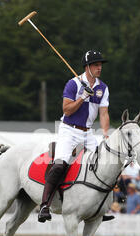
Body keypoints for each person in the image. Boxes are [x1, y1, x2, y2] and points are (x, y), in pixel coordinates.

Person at [38, 50, 110, 223]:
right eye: (96, 65)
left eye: (100, 65)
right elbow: (66, 110)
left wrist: (106, 135)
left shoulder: (103, 88)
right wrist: (83, 97)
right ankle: (44, 205)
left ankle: (100, 206)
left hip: (88, 132)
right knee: (60, 164)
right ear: (87, 67)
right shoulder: (73, 84)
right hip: (69, 130)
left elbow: (104, 114)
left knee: (102, 165)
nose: (99, 68)